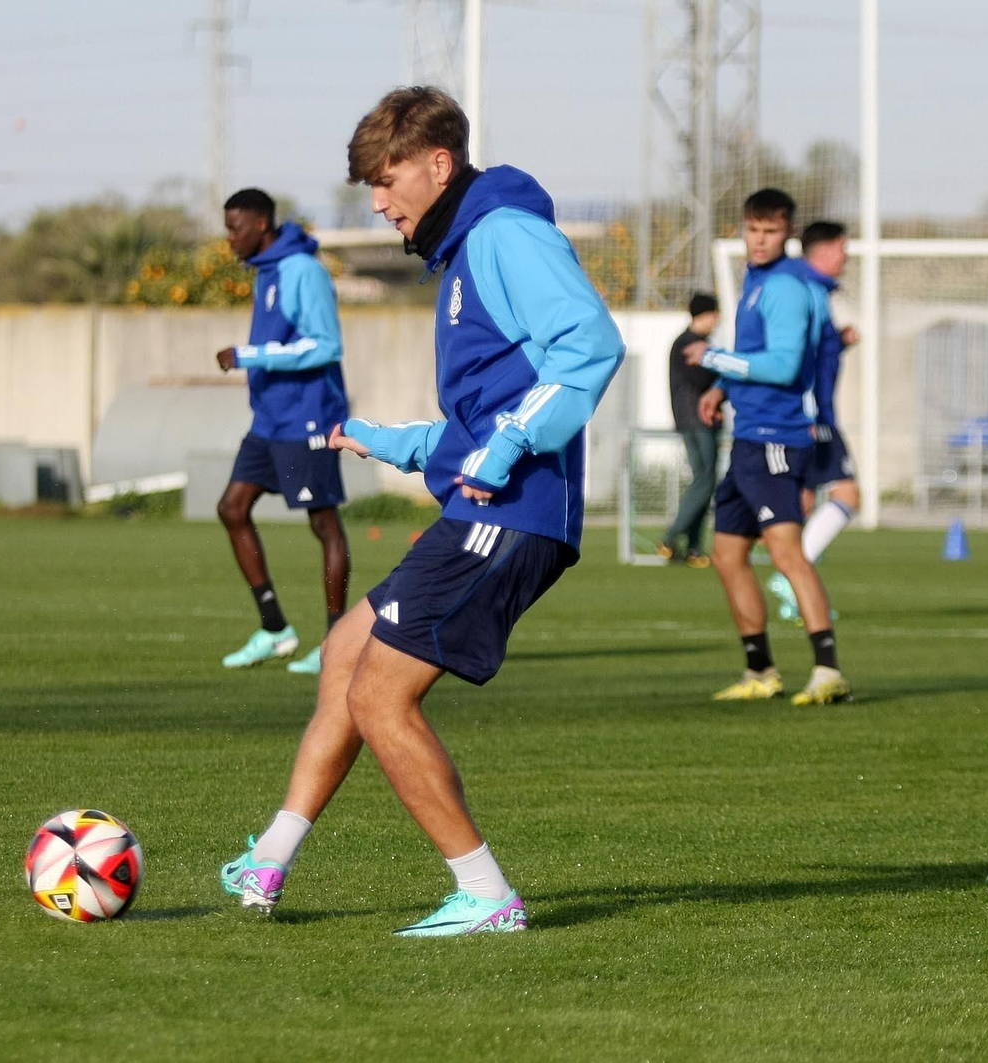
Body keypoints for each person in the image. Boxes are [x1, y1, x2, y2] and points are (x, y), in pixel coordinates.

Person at [218, 87, 625, 936]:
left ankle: (485, 893)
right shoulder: (468, 251)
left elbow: (589, 347)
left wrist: (509, 449)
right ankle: (270, 857)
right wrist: (387, 441)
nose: (376, 200)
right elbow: (483, 420)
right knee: (344, 653)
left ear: (439, 165)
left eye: (386, 177)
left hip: (514, 513)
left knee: (380, 697)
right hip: (487, 505)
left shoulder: (507, 235)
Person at [686, 188, 852, 707]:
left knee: (786, 554)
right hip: (749, 438)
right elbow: (755, 359)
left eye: (771, 232)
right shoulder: (755, 280)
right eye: (753, 230)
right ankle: (761, 670)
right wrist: (722, 389)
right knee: (727, 554)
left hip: (778, 439)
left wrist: (717, 361)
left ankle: (828, 670)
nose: (759, 241)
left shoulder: (784, 286)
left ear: (788, 235)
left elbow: (781, 366)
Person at [214, 188, 351, 676]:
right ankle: (275, 629)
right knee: (232, 508)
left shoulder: (302, 271)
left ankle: (337, 644)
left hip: (307, 418)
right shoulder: (266, 271)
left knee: (324, 525)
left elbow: (326, 346)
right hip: (271, 420)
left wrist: (250, 356)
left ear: (261, 225)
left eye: (235, 227)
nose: (229, 237)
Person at [766, 221, 860, 621]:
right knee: (848, 496)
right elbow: (797, 354)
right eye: (843, 248)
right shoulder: (807, 290)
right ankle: (792, 573)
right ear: (826, 249)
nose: (847, 256)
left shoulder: (809, 289)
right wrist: (804, 411)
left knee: (802, 500)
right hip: (813, 416)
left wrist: (839, 342)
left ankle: (792, 580)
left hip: (809, 412)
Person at [658, 292, 723, 567]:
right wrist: (723, 365)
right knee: (704, 479)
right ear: (705, 315)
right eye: (715, 315)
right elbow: (700, 379)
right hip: (695, 421)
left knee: (706, 481)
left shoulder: (703, 344)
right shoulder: (687, 344)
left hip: (705, 421)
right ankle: (671, 538)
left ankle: (694, 547)